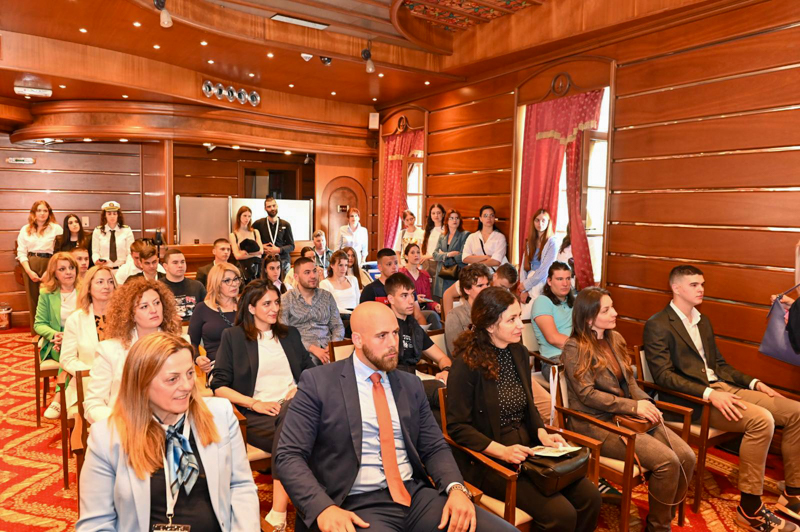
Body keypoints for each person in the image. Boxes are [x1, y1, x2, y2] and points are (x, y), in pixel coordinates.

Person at [274, 301, 517, 532]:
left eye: (395, 333)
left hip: (414, 496)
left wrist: (456, 489)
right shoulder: (319, 382)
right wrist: (323, 508)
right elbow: (288, 455)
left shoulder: (410, 384)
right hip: (354, 504)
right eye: (382, 336)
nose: (393, 344)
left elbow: (434, 446)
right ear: (357, 340)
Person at [644, 265, 800, 529]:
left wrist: (754, 382)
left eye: (702, 284)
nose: (701, 289)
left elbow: (719, 365)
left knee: (795, 411)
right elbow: (663, 377)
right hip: (690, 399)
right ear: (676, 288)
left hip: (721, 387)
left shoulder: (702, 320)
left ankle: (793, 492)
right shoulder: (657, 324)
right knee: (761, 420)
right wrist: (709, 394)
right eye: (694, 284)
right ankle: (750, 509)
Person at [447, 287, 602, 531]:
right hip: (490, 458)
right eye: (512, 319)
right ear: (490, 326)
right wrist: (503, 452)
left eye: (519, 316)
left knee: (590, 497)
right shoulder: (466, 364)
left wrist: (541, 432)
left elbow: (528, 404)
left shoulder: (517, 351)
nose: (521, 324)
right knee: (560, 514)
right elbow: (457, 427)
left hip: (529, 449)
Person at [76, 333, 259, 531]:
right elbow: (96, 523)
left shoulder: (221, 415)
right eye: (172, 379)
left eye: (190, 373)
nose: (187, 386)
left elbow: (241, 486)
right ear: (142, 383)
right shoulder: (106, 437)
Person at [563, 287, 695, 531]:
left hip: (625, 416)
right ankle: (658, 528)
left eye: (612, 307)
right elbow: (587, 395)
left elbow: (630, 382)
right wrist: (634, 406)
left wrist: (647, 404)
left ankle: (663, 517)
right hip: (596, 423)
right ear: (589, 318)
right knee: (667, 462)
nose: (615, 313)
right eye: (606, 310)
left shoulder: (615, 338)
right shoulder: (575, 347)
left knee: (687, 456)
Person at [212, 279, 313, 531]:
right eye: (266, 303)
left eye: (276, 302)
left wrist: (299, 388)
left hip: (297, 408)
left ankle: (284, 511)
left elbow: (311, 373)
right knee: (295, 433)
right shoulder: (233, 337)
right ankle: (284, 509)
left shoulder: (290, 334)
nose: (274, 308)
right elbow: (219, 385)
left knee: (291, 419)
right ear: (251, 308)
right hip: (256, 415)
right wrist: (255, 403)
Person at [84, 278, 182, 424]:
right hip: (124, 425)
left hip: (170, 425)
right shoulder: (110, 350)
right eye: (144, 306)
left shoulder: (179, 344)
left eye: (157, 303)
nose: (153, 310)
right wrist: (121, 423)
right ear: (130, 314)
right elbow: (93, 404)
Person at [60, 264, 117, 411]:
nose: (106, 286)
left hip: (121, 383)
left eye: (110, 282)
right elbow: (67, 358)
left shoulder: (124, 318)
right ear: (89, 288)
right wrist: (95, 372)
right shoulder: (76, 319)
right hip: (88, 382)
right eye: (100, 282)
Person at [34, 252, 80, 419]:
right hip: (57, 342)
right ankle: (61, 398)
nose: (68, 272)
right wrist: (55, 334)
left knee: (77, 350)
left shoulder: (85, 291)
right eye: (62, 269)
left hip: (81, 338)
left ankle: (60, 397)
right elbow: (39, 324)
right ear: (54, 273)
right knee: (70, 351)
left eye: (71, 268)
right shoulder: (46, 293)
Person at [280, 256, 345, 365]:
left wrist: (332, 346)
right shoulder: (286, 299)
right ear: (296, 277)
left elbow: (338, 326)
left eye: (314, 271)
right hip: (301, 350)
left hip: (328, 348)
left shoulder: (327, 296)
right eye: (307, 272)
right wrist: (312, 348)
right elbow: (283, 332)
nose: (313, 276)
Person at [360, 248, 435, 328]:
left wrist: (423, 331)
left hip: (406, 329)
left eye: (396, 263)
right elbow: (365, 319)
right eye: (389, 264)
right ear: (380, 267)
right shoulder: (370, 290)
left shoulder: (406, 287)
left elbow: (418, 315)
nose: (394, 267)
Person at [17, 200, 62, 330]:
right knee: (33, 299)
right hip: (30, 265)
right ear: (33, 213)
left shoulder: (56, 228)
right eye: (39, 210)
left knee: (51, 297)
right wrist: (29, 271)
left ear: (49, 213)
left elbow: (60, 251)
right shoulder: (25, 229)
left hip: (51, 264)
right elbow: (21, 252)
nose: (42, 213)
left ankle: (53, 330)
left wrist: (49, 271)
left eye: (45, 211)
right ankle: (36, 332)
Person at [189, 263, 241, 375]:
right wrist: (197, 358)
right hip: (218, 366)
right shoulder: (202, 308)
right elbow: (191, 342)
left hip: (246, 363)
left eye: (236, 279)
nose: (234, 284)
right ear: (216, 284)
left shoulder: (246, 306)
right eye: (227, 281)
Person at [531, 261, 575, 378]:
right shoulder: (542, 301)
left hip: (577, 355)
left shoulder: (574, 302)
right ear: (549, 281)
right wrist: (583, 347)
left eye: (568, 278)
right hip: (554, 361)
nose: (565, 283)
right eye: (560, 279)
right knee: (584, 374)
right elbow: (553, 338)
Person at [444, 264, 491, 356]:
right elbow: (456, 352)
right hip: (469, 362)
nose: (486, 289)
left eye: (487, 284)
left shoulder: (492, 311)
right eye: (480, 285)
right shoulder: (455, 316)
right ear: (467, 290)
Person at [252, 195, 295, 276]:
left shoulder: (286, 224)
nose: (272, 208)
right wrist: (261, 246)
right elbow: (250, 240)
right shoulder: (258, 224)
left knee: (285, 270)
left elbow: (292, 246)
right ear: (265, 208)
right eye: (269, 206)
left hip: (282, 259)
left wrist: (278, 250)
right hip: (265, 260)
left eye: (274, 206)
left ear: (277, 206)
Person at [161, 248, 207, 322]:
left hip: (193, 326)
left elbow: (207, 311)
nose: (180, 265)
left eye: (182, 262)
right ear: (165, 266)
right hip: (168, 326)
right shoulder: (158, 287)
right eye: (175, 262)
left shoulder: (197, 286)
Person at [432, 208, 468, 300]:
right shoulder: (442, 236)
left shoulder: (465, 235)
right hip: (441, 275)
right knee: (441, 304)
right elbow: (435, 255)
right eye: (451, 218)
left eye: (457, 218)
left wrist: (443, 256)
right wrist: (448, 255)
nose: (454, 220)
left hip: (455, 275)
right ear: (446, 221)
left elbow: (463, 256)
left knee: (454, 303)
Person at [521, 208, 558, 299]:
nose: (540, 224)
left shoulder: (552, 243)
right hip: (528, 280)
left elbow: (545, 270)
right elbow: (523, 267)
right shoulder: (530, 241)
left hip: (542, 281)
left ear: (548, 222)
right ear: (533, 222)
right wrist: (523, 289)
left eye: (543, 220)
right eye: (537, 220)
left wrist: (526, 284)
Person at [462, 205, 508, 273]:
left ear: (494, 218)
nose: (489, 218)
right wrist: (485, 257)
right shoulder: (472, 237)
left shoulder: (500, 237)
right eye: (485, 216)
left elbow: (496, 261)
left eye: (491, 215)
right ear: (480, 219)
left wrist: (474, 263)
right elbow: (465, 258)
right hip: (475, 275)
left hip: (494, 274)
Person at [400, 243, 441, 316]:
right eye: (412, 253)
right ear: (406, 256)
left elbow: (428, 299)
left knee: (435, 315)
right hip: (406, 311)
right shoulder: (400, 274)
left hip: (423, 310)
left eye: (418, 252)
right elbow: (398, 297)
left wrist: (435, 305)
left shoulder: (425, 275)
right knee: (433, 316)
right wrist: (415, 299)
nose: (416, 255)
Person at [91, 201, 134, 269]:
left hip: (122, 268)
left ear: (118, 215)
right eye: (109, 214)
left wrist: (127, 267)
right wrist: (97, 261)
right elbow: (95, 252)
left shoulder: (126, 230)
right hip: (104, 268)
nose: (112, 216)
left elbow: (130, 252)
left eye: (115, 214)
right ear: (105, 215)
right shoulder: (98, 231)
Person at [320, 249, 360, 318]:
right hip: (337, 317)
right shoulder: (325, 283)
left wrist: (355, 314)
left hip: (355, 316)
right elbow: (328, 307)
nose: (344, 269)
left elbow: (358, 302)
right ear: (332, 265)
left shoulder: (353, 280)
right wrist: (350, 313)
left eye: (346, 265)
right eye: (340, 265)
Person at [230, 206, 264, 283]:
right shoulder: (233, 235)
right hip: (243, 267)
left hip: (257, 266)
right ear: (239, 217)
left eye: (249, 216)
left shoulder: (255, 232)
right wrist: (255, 254)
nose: (247, 219)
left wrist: (245, 254)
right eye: (244, 216)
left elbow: (261, 251)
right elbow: (237, 256)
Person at [420, 203, 445, 277]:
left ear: (443, 214)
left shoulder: (446, 230)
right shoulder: (428, 230)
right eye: (433, 213)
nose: (436, 215)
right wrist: (422, 257)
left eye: (438, 213)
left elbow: (445, 251)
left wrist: (430, 256)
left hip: (440, 263)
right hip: (426, 263)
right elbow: (422, 245)